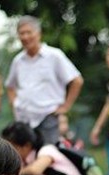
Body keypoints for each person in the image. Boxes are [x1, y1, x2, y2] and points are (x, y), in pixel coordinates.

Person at [5, 15, 83, 145]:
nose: (25, 37)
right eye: (21, 33)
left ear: (38, 34)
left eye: (28, 32)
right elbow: (10, 86)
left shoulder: (54, 55)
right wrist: (15, 105)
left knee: (48, 156)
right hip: (24, 119)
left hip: (48, 117)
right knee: (28, 159)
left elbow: (77, 80)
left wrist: (65, 107)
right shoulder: (18, 61)